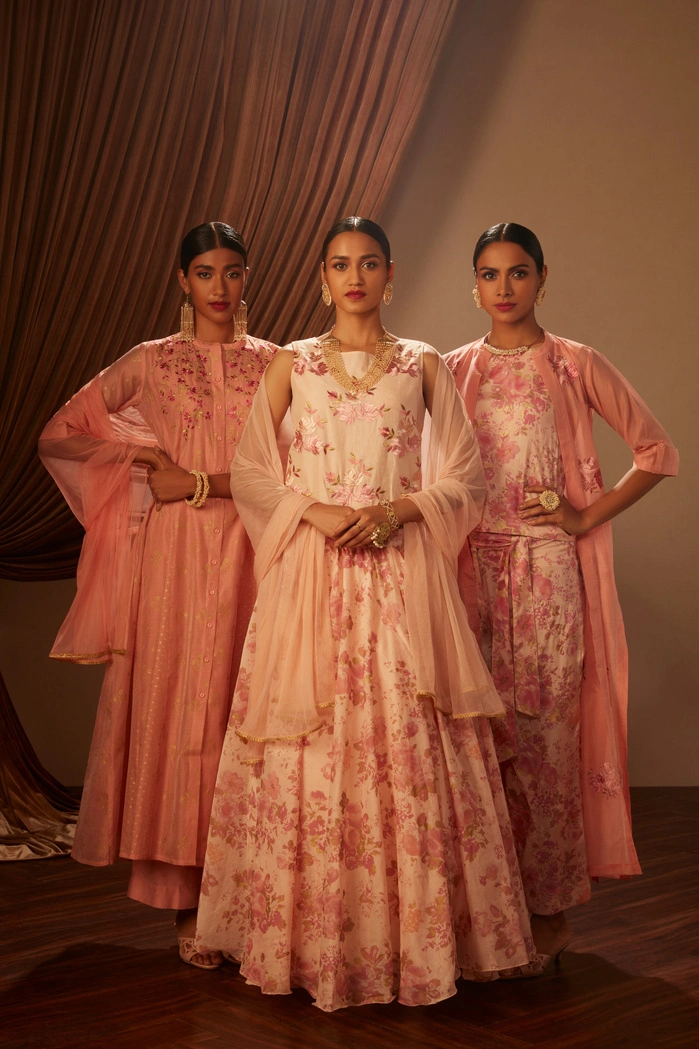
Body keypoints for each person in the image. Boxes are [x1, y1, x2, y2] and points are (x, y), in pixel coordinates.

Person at [196, 216, 540, 1011]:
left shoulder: (420, 366)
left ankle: (421, 944)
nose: (355, 277)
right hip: (312, 582)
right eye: (340, 265)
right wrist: (310, 513)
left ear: (391, 275)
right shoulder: (292, 363)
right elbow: (251, 472)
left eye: (370, 263)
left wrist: (402, 509)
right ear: (322, 279)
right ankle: (309, 942)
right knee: (309, 746)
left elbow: (465, 475)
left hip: (397, 582)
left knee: (407, 745)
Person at [39, 222, 279, 969]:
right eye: (204, 272)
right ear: (182, 280)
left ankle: (256, 895)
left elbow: (304, 463)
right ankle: (185, 902)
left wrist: (207, 481)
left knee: (248, 709)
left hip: (254, 550)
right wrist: (144, 456)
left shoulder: (277, 366)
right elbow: (63, 434)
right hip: (173, 557)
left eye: (232, 272)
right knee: (180, 705)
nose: (219, 287)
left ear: (247, 278)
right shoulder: (149, 363)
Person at [446, 222, 678, 960]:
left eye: (517, 273)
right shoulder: (450, 370)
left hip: (547, 571)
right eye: (489, 274)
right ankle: (483, 905)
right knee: (475, 739)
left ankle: (545, 910)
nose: (503, 288)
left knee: (545, 743)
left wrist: (583, 517)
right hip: (468, 571)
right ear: (472, 284)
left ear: (543, 277)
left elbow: (655, 449)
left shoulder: (576, 364)